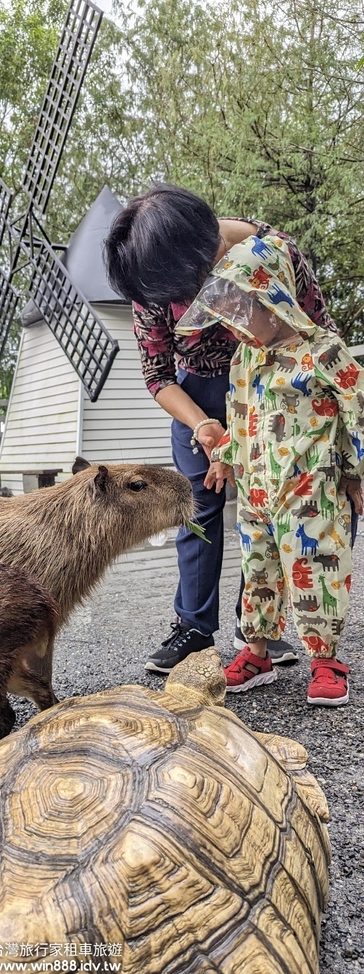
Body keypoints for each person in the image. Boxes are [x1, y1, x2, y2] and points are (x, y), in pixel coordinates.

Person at [103, 183, 340, 673]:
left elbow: (317, 334)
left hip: (273, 390)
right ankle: (193, 627)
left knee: (274, 506)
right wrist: (204, 424)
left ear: (203, 256)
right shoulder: (153, 276)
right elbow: (157, 373)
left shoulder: (274, 253)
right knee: (198, 506)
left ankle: (257, 629)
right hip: (196, 396)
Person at [175, 234, 364, 706]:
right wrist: (223, 458)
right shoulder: (244, 359)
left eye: (242, 313)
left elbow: (356, 409)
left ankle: (325, 659)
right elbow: (236, 417)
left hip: (311, 487)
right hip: (257, 490)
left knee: (315, 567)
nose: (235, 327)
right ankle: (256, 651)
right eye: (227, 318)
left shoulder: (323, 350)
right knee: (257, 570)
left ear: (273, 294)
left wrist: (356, 471)